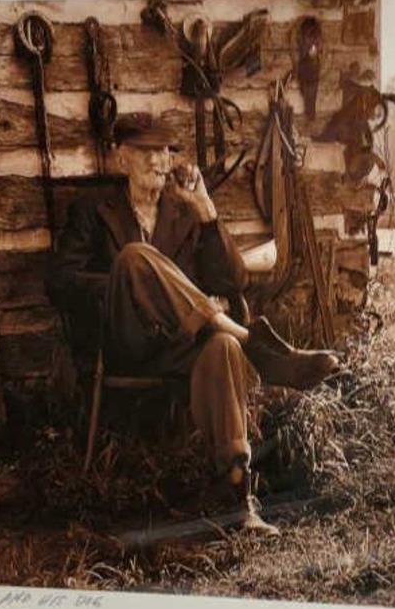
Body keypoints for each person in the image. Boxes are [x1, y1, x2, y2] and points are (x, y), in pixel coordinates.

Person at [49, 112, 339, 534]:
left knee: (222, 347)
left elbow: (233, 280)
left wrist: (206, 211)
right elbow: (60, 282)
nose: (160, 162)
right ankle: (258, 345)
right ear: (120, 158)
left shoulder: (182, 214)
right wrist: (125, 284)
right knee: (134, 258)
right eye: (146, 152)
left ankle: (238, 497)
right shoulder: (93, 211)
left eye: (165, 151)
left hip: (177, 343)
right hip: (123, 340)